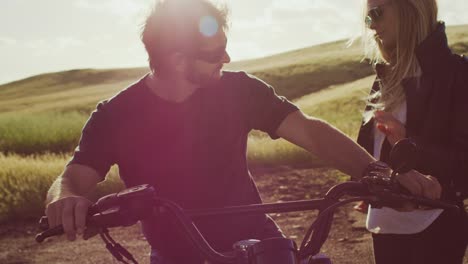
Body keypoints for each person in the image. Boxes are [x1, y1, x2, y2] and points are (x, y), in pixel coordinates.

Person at [45, 0, 441, 263]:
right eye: (215, 53)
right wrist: (65, 200)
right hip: (176, 254)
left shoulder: (239, 90)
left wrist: (378, 174)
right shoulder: (116, 115)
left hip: (259, 241)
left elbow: (310, 131)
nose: (227, 58)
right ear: (176, 58)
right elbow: (74, 178)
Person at [356, 0, 468, 263]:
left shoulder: (458, 74)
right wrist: (366, 183)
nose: (371, 27)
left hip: (436, 226)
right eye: (367, 20)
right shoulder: (385, 76)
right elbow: (368, 146)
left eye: (376, 14)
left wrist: (409, 143)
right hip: (385, 224)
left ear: (412, 8)